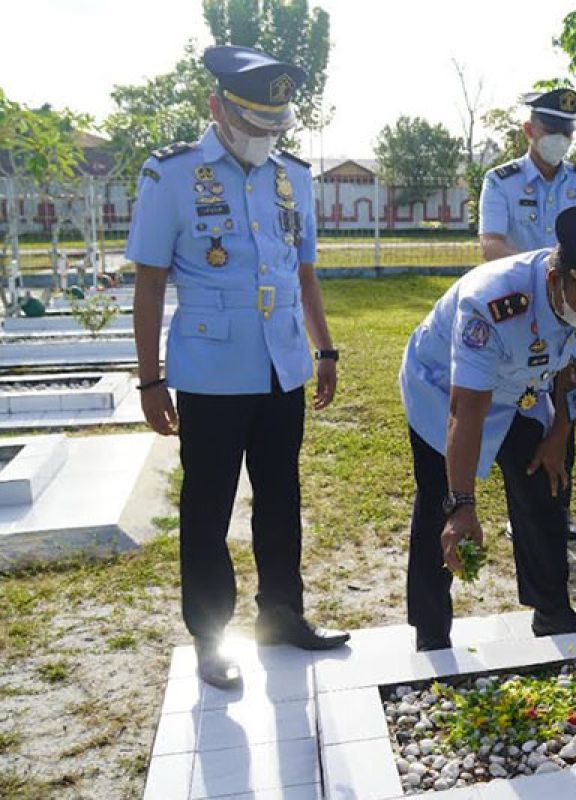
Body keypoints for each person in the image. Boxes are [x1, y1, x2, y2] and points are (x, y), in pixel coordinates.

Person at [128, 45, 349, 689]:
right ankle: (209, 636)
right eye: (253, 123)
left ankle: (281, 614)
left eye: (275, 126)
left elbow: (303, 273)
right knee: (208, 508)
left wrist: (325, 348)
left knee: (281, 498)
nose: (264, 137)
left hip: (283, 367)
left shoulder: (294, 177)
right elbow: (148, 284)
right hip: (210, 372)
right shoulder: (170, 175)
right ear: (217, 107)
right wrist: (149, 379)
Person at [400, 204, 576, 651]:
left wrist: (559, 435)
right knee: (441, 509)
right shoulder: (493, 302)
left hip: (523, 390)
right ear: (557, 279)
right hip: (443, 390)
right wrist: (463, 504)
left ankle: (552, 610)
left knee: (545, 487)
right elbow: (466, 410)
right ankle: (431, 631)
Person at [477, 87, 576, 540]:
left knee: (569, 405)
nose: (562, 137)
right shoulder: (502, 181)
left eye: (568, 130)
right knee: (521, 413)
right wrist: (545, 274)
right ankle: (524, 509)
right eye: (553, 129)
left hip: (572, 320)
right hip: (522, 318)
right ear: (530, 130)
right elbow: (491, 245)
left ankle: (560, 505)